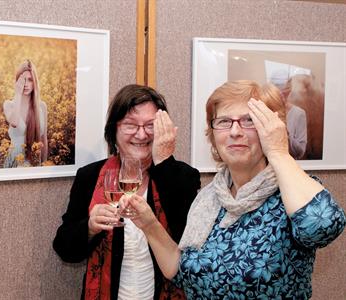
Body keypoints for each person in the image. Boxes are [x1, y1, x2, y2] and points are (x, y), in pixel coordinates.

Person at [120, 80, 345, 299]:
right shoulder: (210, 198)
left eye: (249, 120)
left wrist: (278, 151)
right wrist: (149, 225)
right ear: (213, 135)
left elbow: (323, 225)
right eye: (224, 122)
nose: (235, 131)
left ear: (271, 129)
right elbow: (180, 272)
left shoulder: (291, 195)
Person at [53, 84, 201, 299]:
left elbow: (188, 242)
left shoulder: (183, 177)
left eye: (150, 126)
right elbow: (65, 250)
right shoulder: (90, 176)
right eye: (131, 125)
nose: (141, 134)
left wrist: (163, 162)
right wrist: (90, 227)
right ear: (114, 130)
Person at [3, 59, 48, 167]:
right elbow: (14, 122)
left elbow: (44, 139)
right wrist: (17, 93)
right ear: (17, 81)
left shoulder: (42, 106)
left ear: (35, 82)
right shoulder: (9, 105)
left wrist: (44, 165)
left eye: (30, 80)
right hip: (14, 162)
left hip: (34, 161)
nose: (26, 84)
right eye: (23, 80)